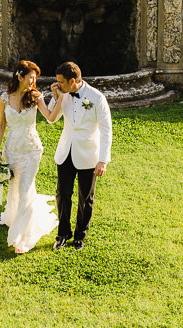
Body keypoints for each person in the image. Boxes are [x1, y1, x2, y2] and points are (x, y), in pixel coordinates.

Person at [0, 60, 62, 254]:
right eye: (30, 76)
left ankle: (23, 238)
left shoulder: (36, 97)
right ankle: (15, 217)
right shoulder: (5, 98)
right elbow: (1, 125)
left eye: (35, 77)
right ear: (20, 77)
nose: (33, 80)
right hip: (12, 149)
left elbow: (50, 118)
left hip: (32, 149)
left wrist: (58, 99)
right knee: (16, 187)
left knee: (24, 189)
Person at [49, 61, 112, 251]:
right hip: (65, 152)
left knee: (86, 198)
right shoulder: (63, 94)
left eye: (60, 82)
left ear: (73, 81)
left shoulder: (96, 97)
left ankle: (79, 236)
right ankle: (63, 234)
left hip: (88, 154)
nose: (57, 84)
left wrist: (103, 160)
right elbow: (53, 117)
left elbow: (106, 131)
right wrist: (55, 97)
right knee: (62, 194)